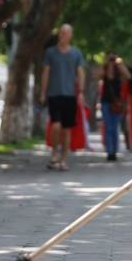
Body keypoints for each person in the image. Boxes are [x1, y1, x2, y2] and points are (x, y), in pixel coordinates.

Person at [39, 24, 85, 172]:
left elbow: (80, 73)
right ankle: (54, 155)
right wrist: (43, 93)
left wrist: (81, 92)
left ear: (70, 35)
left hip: (70, 95)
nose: (61, 35)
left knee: (66, 129)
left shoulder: (76, 54)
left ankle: (63, 160)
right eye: (60, 33)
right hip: (54, 94)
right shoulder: (51, 53)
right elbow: (46, 73)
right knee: (55, 126)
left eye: (65, 33)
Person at [94, 51, 131, 161]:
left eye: (112, 58)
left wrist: (119, 63)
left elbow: (128, 76)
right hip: (105, 102)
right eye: (109, 58)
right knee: (108, 127)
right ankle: (109, 151)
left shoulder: (119, 71)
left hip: (117, 103)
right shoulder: (104, 71)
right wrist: (104, 63)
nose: (111, 60)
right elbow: (94, 76)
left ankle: (114, 151)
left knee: (115, 128)